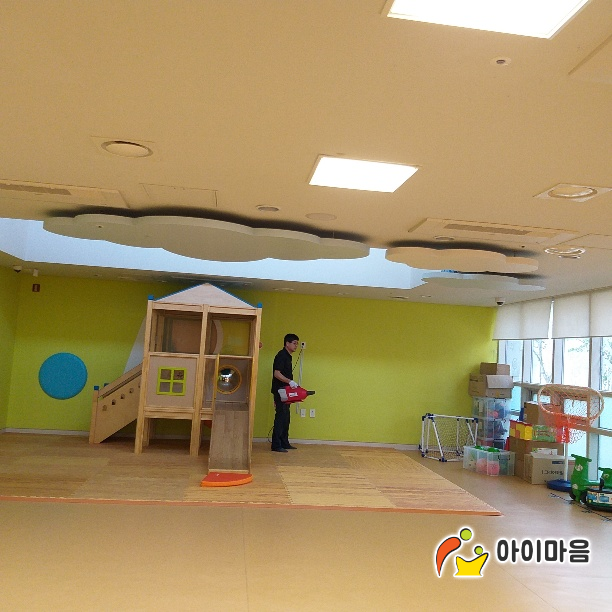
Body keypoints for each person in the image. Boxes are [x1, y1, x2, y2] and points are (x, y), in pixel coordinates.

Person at [270, 333, 300, 452]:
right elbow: (277, 374)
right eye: (294, 343)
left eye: (297, 344)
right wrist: (290, 381)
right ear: (287, 343)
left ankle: (284, 442)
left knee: (286, 417)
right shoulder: (281, 355)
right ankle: (276, 445)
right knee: (281, 417)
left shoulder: (288, 356)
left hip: (286, 391)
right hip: (280, 391)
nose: (296, 346)